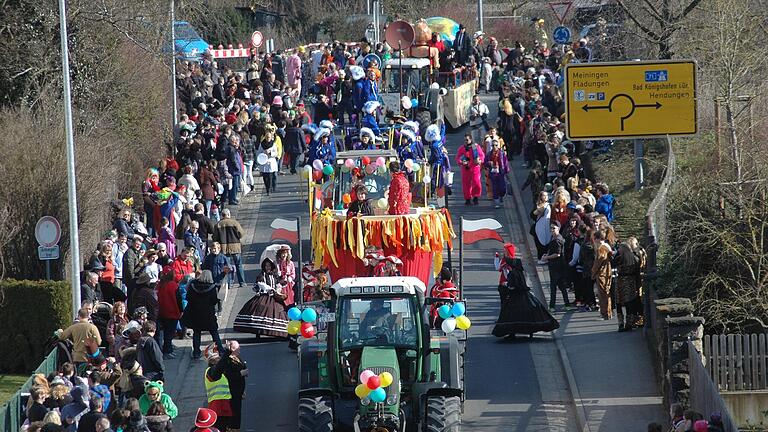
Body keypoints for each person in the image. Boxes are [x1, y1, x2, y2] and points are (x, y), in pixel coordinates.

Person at [492, 243, 559, 338]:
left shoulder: (512, 273)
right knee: (527, 312)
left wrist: (507, 285)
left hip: (514, 296)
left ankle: (512, 332)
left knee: (511, 313)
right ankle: (529, 331)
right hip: (522, 295)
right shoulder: (519, 272)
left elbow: (512, 285)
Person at [233, 258, 289, 338]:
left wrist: (280, 286)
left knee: (279, 311)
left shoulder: (275, 276)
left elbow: (280, 283)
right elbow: (256, 286)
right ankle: (258, 332)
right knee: (260, 310)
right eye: (266, 266)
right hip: (264, 296)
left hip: (274, 297)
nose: (268, 267)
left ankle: (276, 332)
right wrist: (264, 288)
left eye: (269, 266)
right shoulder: (261, 275)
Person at [182, 270, 225, 360]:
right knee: (214, 332)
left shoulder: (193, 285)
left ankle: (196, 352)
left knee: (196, 333)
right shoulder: (212, 288)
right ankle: (220, 350)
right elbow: (214, 301)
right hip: (208, 314)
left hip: (195, 313)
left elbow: (188, 297)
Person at [615, 237, 647, 332]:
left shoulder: (620, 258)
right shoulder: (635, 258)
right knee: (630, 302)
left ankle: (621, 323)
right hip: (631, 281)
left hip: (621, 281)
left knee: (619, 303)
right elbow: (637, 271)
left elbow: (612, 262)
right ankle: (630, 322)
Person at [541, 222, 573, 311]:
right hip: (558, 266)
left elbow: (557, 254)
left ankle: (552, 306)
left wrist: (546, 257)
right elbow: (552, 250)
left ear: (558, 229)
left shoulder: (557, 240)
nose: (552, 230)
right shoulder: (556, 238)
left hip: (556, 266)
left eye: (554, 228)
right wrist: (547, 254)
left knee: (554, 286)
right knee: (561, 286)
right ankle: (567, 304)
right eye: (551, 228)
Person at [213, 209, 246, 288]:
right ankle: (242, 282)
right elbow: (241, 233)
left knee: (227, 266)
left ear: (222, 215)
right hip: (235, 247)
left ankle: (229, 283)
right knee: (238, 265)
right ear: (229, 214)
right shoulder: (234, 223)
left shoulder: (218, 225)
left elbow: (215, 238)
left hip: (224, 247)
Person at [455, 133, 485, 205]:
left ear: (471, 139)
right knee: (466, 184)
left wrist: (480, 160)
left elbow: (481, 156)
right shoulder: (461, 148)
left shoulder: (476, 147)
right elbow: (458, 157)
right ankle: (467, 198)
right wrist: (461, 162)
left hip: (475, 168)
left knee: (476, 182)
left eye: (467, 140)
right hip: (466, 169)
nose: (465, 141)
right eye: (464, 140)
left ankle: (476, 197)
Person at [592, 231, 614, 320]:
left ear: (597, 239)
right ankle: (608, 313)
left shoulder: (601, 249)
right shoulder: (607, 247)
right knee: (606, 293)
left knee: (603, 294)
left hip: (602, 274)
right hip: (607, 272)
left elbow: (598, 263)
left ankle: (605, 314)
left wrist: (593, 272)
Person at [485, 139, 509, 208]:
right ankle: (497, 203)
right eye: (493, 145)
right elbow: (485, 163)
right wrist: (489, 163)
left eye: (496, 145)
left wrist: (506, 171)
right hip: (493, 173)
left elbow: (505, 162)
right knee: (495, 188)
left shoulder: (501, 153)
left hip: (500, 173)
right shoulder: (489, 154)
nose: (494, 147)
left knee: (502, 188)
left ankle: (501, 196)